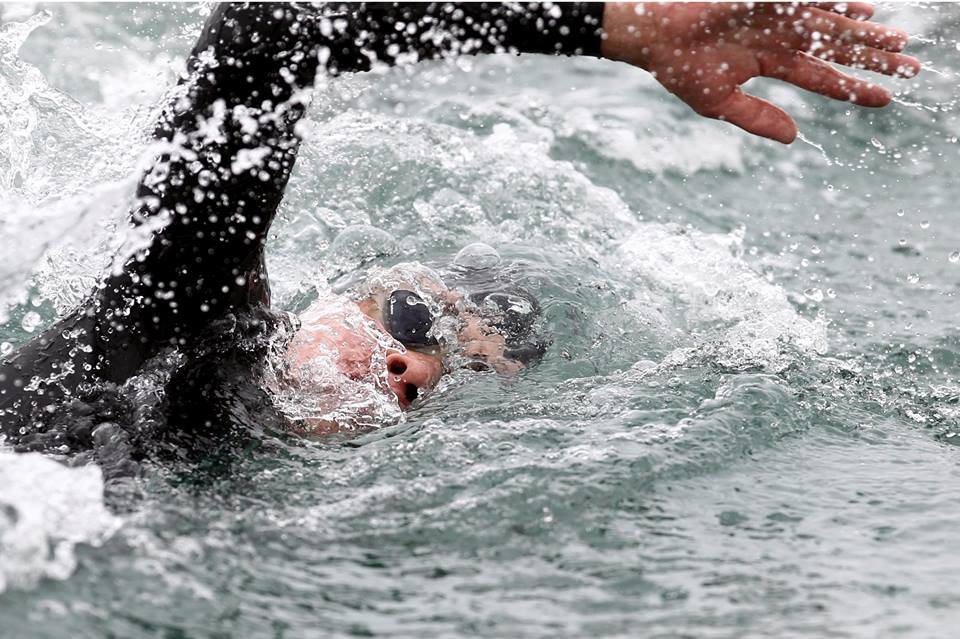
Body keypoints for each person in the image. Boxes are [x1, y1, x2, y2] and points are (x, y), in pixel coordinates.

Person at [0, 3, 919, 484]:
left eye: (431, 379)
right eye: (416, 319)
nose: (410, 367)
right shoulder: (186, 313)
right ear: (342, 295)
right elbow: (266, 29)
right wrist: (617, 28)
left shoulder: (252, 490)